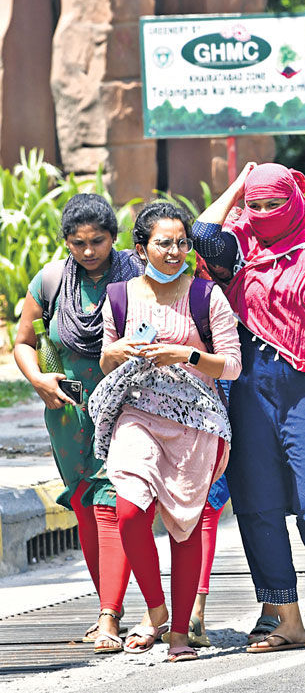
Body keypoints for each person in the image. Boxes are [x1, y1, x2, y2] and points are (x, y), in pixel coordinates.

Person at [192, 162, 305, 653]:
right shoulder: (238, 250)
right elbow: (202, 232)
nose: (266, 213)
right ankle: (287, 619)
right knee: (258, 507)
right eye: (257, 205)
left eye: (275, 203)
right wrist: (241, 184)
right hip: (248, 390)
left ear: (295, 197)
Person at [91, 200, 241, 663]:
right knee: (131, 512)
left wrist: (187, 356)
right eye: (164, 243)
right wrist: (119, 349)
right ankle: (155, 609)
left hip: (196, 420)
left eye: (181, 243)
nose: (175, 251)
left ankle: (179, 633)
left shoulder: (206, 296)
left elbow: (232, 366)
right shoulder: (119, 295)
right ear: (141, 249)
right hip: (137, 413)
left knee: (186, 525)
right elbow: (105, 361)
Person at [12, 193, 142, 654]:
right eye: (78, 242)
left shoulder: (139, 273)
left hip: (128, 402)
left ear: (114, 237)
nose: (88, 252)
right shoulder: (50, 279)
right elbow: (23, 341)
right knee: (86, 505)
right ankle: (111, 606)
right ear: (66, 240)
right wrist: (38, 379)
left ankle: (108, 615)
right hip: (67, 409)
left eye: (98, 241)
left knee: (112, 503)